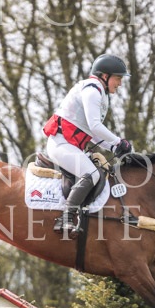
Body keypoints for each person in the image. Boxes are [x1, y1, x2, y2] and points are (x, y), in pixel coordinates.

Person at [42, 54, 134, 236]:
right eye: (118, 78)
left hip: (69, 145)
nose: (120, 83)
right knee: (92, 174)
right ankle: (65, 219)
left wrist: (114, 148)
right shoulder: (92, 90)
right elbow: (95, 126)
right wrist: (118, 141)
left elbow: (92, 134)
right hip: (60, 143)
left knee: (98, 173)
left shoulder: (99, 92)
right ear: (105, 76)